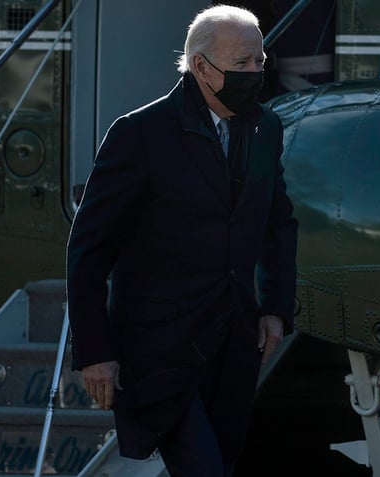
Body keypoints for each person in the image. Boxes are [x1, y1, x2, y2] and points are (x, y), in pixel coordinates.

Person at [66, 4, 298, 477]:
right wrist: (95, 352)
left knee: (223, 465)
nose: (256, 73)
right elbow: (88, 250)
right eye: (244, 64)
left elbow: (278, 223)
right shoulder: (140, 135)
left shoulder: (265, 129)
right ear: (201, 68)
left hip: (233, 348)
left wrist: (275, 307)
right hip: (159, 352)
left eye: (260, 61)